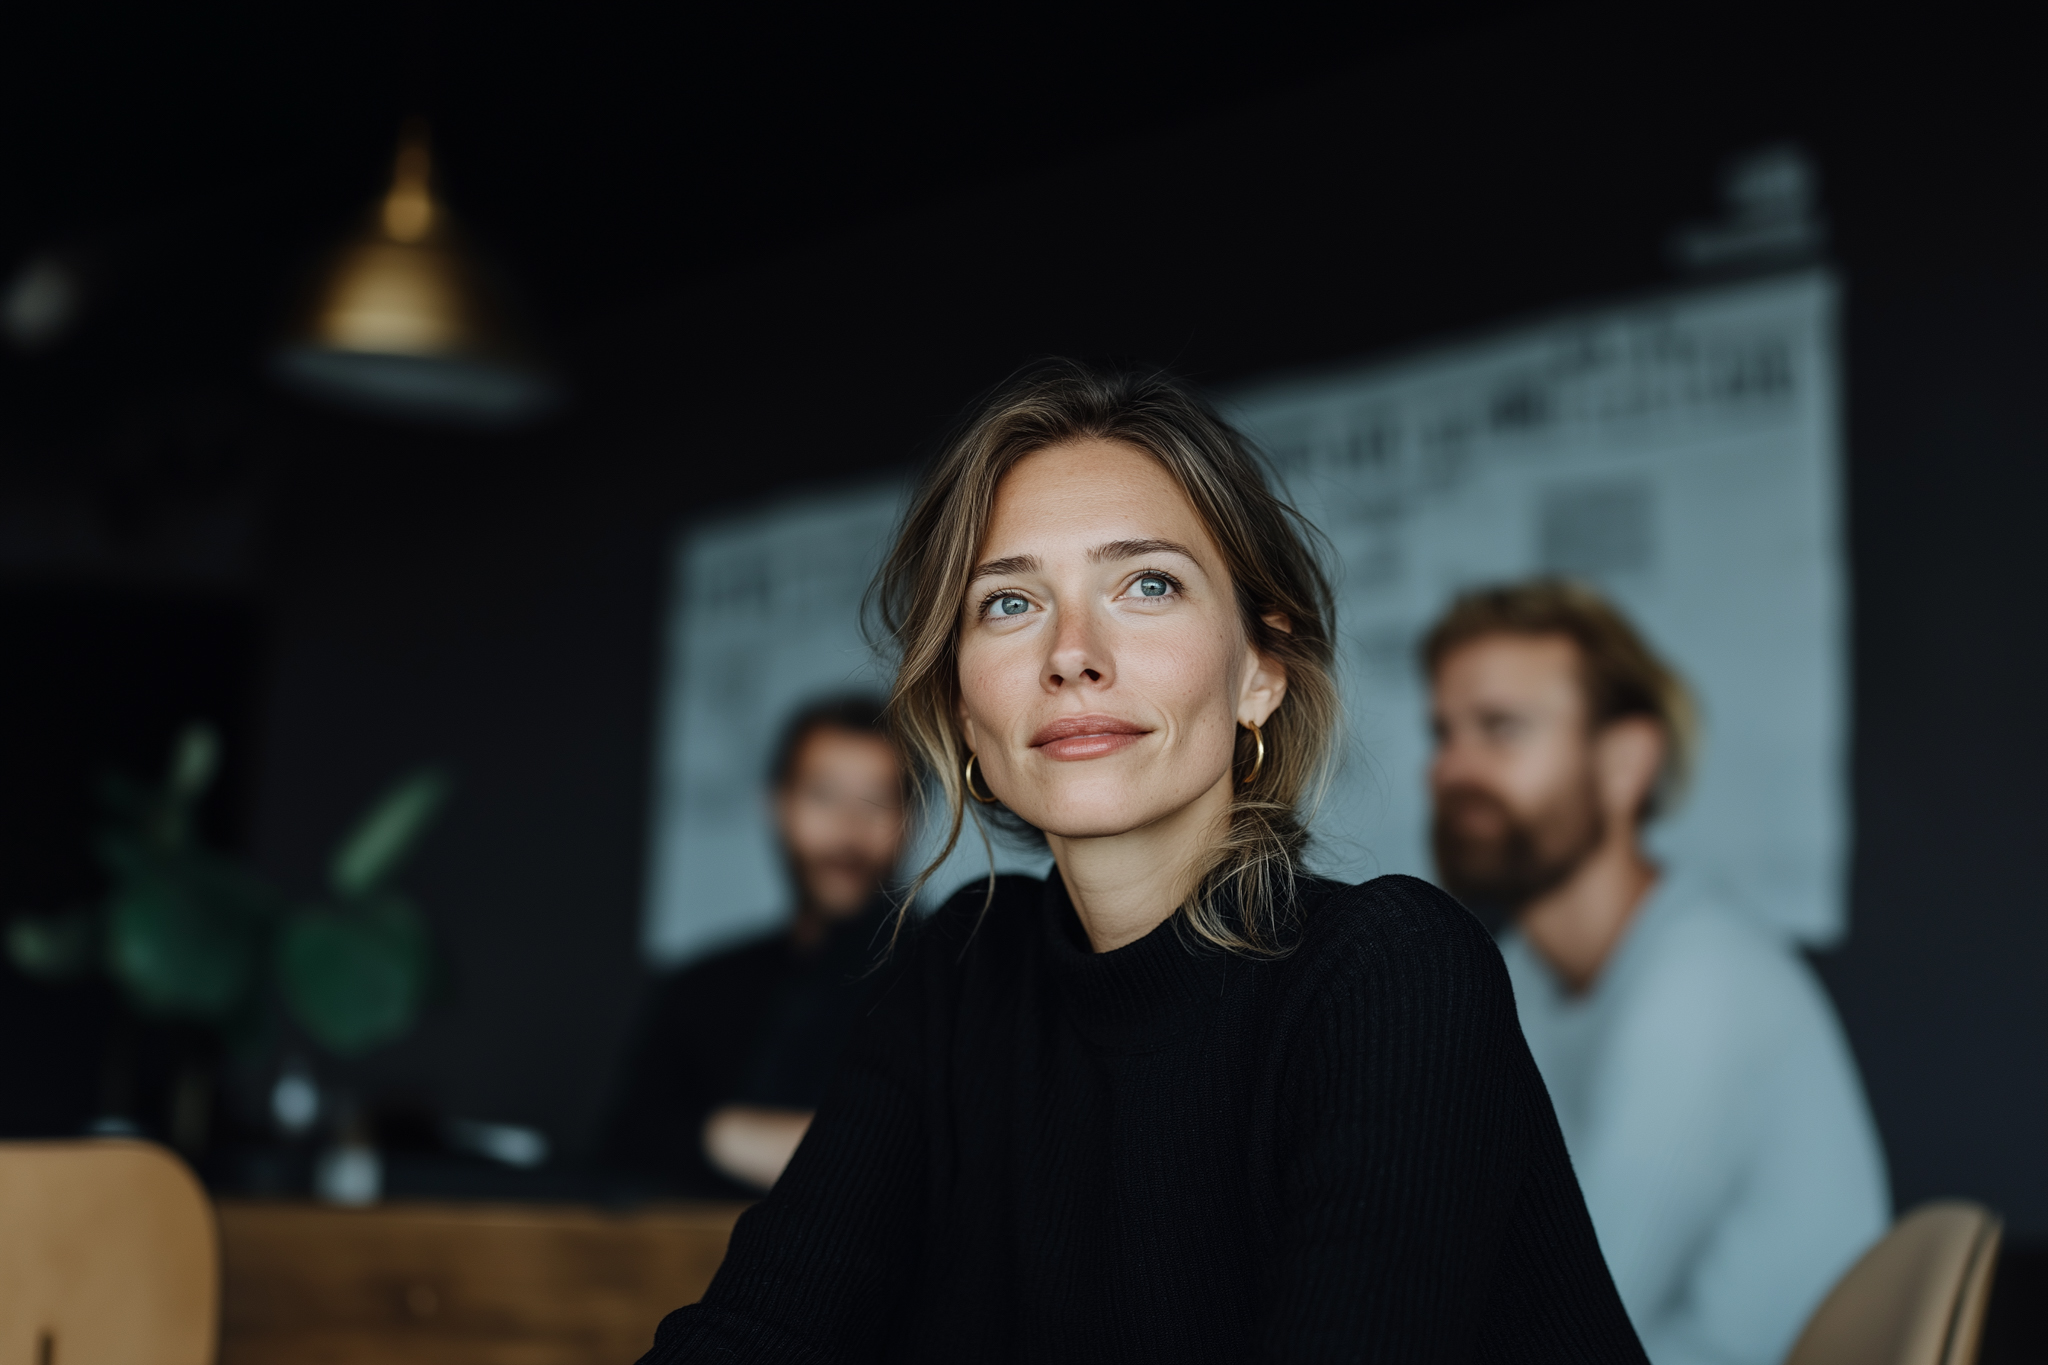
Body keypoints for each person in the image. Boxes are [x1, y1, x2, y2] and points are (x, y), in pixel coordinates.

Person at [642, 361, 1645, 1363]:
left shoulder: (1390, 973)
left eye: (1147, 584)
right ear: (961, 709)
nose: (1071, 653)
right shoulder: (958, 973)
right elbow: (753, 1335)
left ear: (1260, 671)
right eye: (1007, 603)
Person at [1423, 580, 1888, 1365]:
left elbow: (1566, 1309)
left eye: (1500, 729)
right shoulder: (1522, 976)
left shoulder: (1705, 984)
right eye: (1444, 733)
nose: (1452, 768)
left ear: (1626, 762)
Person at [603, 695, 908, 1195]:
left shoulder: (953, 981)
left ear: (911, 818)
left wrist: (723, 1133)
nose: (849, 834)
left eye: (879, 801)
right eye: (825, 797)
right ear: (778, 805)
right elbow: (625, 1147)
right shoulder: (702, 988)